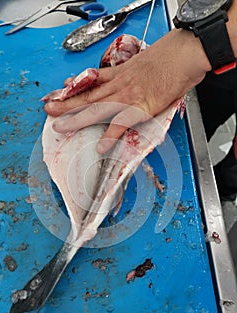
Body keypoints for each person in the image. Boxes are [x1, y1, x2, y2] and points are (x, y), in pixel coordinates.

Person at [44, 1, 237, 202]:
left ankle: (225, 189)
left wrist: (207, 40)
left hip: (217, 38)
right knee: (203, 115)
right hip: (218, 43)